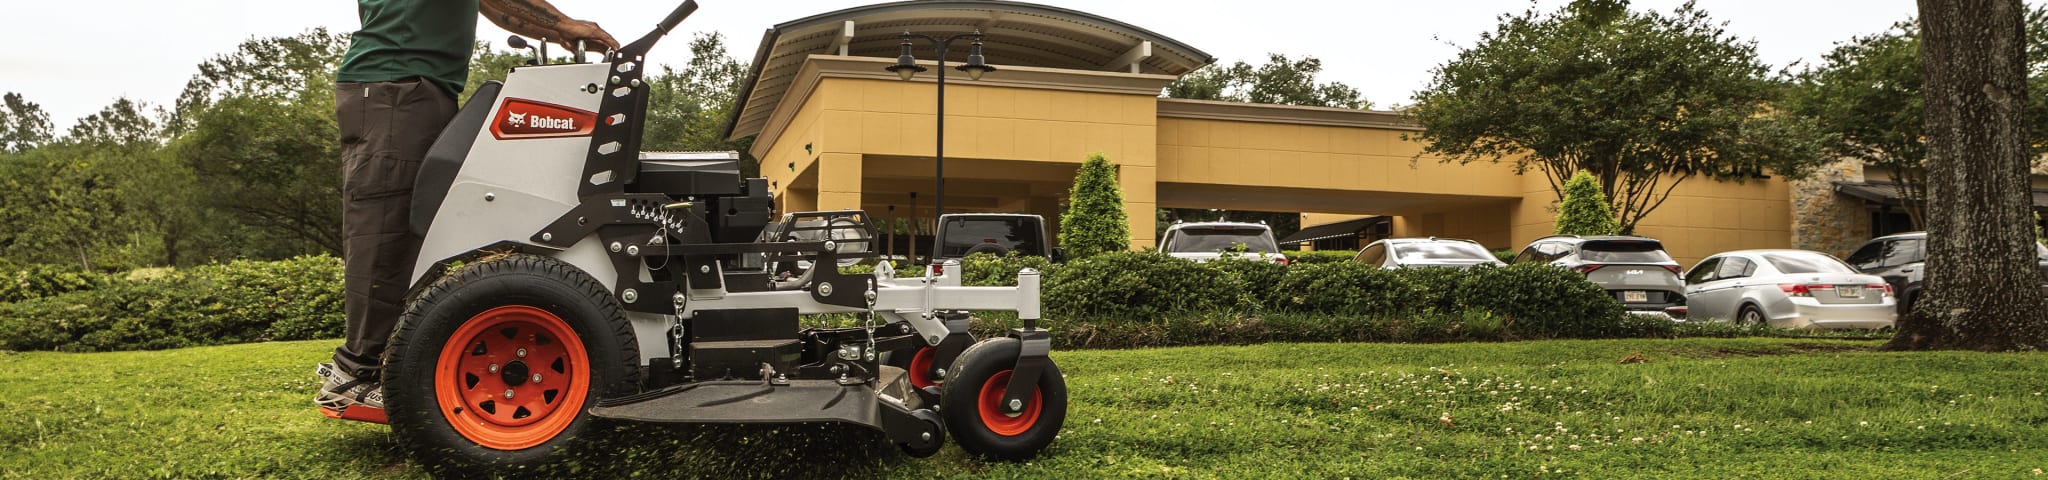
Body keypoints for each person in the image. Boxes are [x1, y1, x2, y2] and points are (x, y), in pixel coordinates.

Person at [315, 0, 619, 412]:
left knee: (412, 231)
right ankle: (353, 376)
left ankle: (381, 366)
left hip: (411, 88)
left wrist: (555, 31)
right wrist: (564, 24)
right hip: (396, 90)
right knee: (386, 229)